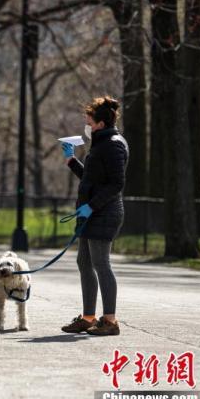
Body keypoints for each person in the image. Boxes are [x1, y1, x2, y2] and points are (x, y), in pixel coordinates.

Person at [59, 97, 129, 336]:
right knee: (84, 262)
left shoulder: (113, 144)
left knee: (101, 264)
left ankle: (110, 321)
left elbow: (116, 184)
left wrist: (92, 206)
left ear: (99, 123)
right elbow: (92, 179)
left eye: (89, 120)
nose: (86, 124)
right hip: (91, 213)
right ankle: (88, 317)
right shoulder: (100, 144)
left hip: (105, 213)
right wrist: (71, 161)